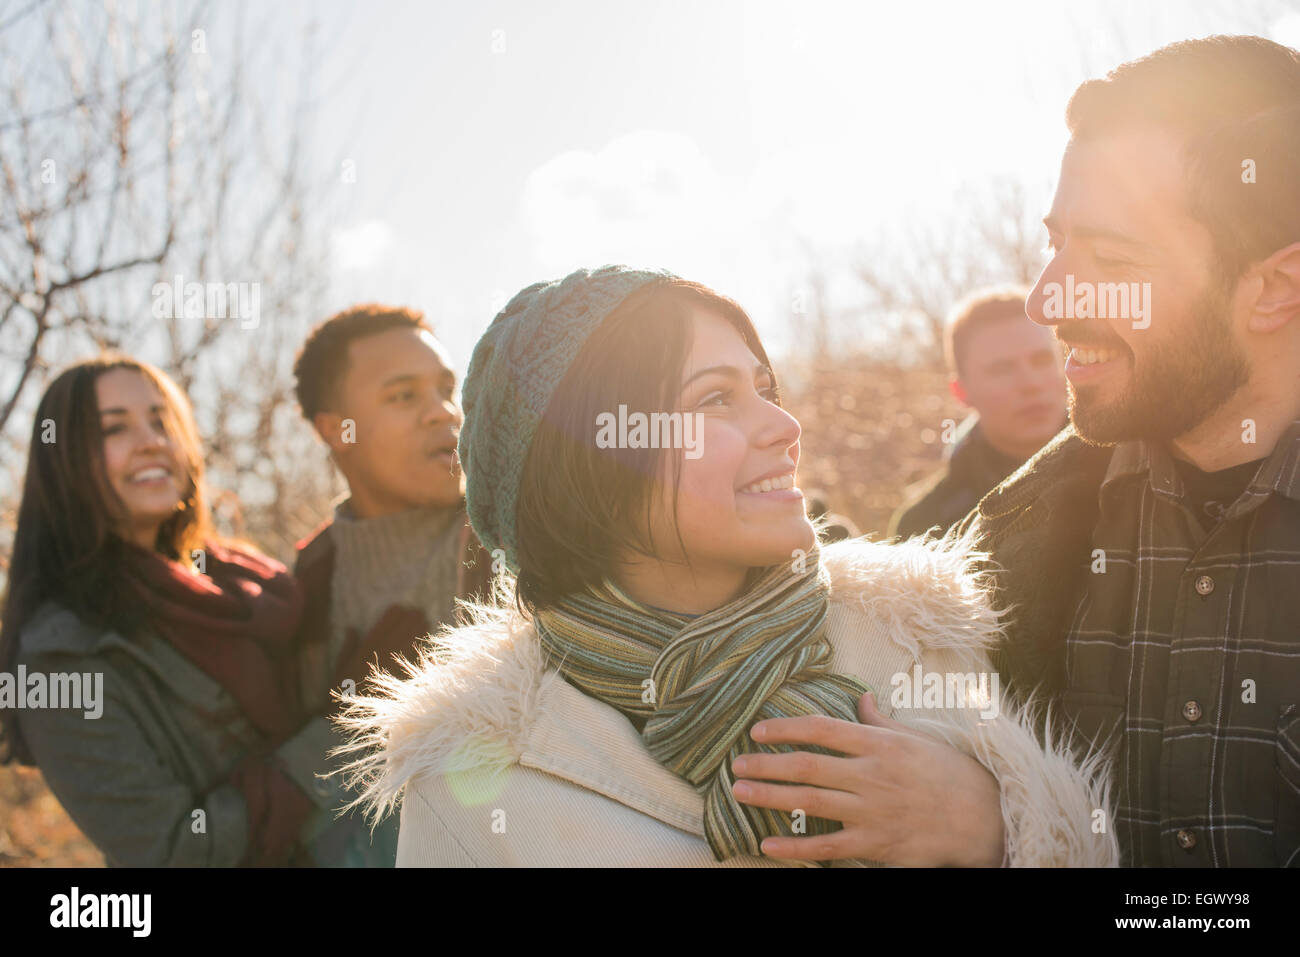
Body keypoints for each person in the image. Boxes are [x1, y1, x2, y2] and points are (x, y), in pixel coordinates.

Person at [333, 265, 1118, 867]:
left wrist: (994, 826)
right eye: (716, 400)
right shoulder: (475, 783)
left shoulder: (916, 640)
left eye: (766, 388)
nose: (783, 425)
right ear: (593, 462)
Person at [742, 35, 1300, 868]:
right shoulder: (1007, 545)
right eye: (1057, 242)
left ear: (1274, 290)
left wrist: (1017, 830)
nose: (1048, 298)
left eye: (1112, 259)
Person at [0, 356, 346, 866]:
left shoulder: (240, 577)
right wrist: (346, 726)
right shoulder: (62, 654)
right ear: (66, 459)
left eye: (161, 421)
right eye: (114, 428)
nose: (151, 440)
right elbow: (171, 853)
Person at [289, 303, 492, 865]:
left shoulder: (510, 538)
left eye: (446, 389)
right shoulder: (304, 582)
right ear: (336, 430)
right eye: (404, 395)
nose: (443, 413)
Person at [889, 288, 1067, 539]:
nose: (1031, 383)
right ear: (961, 392)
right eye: (1002, 369)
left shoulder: (1131, 474)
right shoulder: (924, 526)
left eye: (1042, 360)